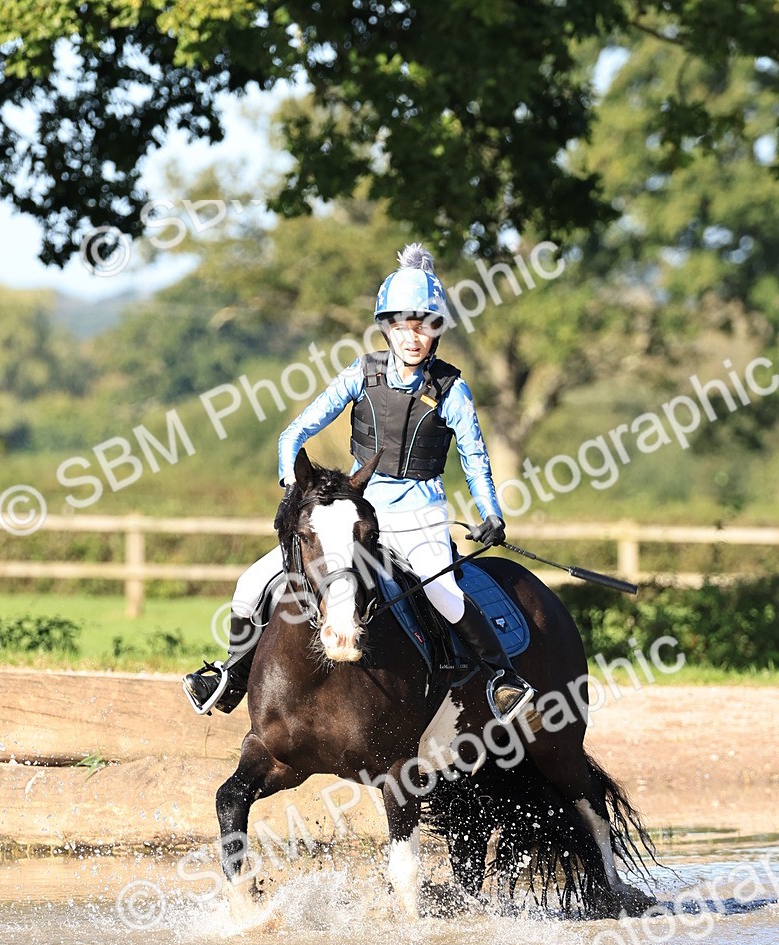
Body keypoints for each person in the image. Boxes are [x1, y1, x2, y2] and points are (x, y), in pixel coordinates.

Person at [183, 244, 535, 724]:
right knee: (249, 586)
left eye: (425, 327)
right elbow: (295, 433)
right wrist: (294, 488)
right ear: (387, 327)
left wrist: (490, 512)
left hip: (420, 514)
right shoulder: (360, 374)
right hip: (354, 511)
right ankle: (231, 678)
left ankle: (502, 677)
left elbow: (475, 457)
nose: (413, 338)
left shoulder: (452, 389)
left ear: (436, 333)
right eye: (403, 326)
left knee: (444, 596)